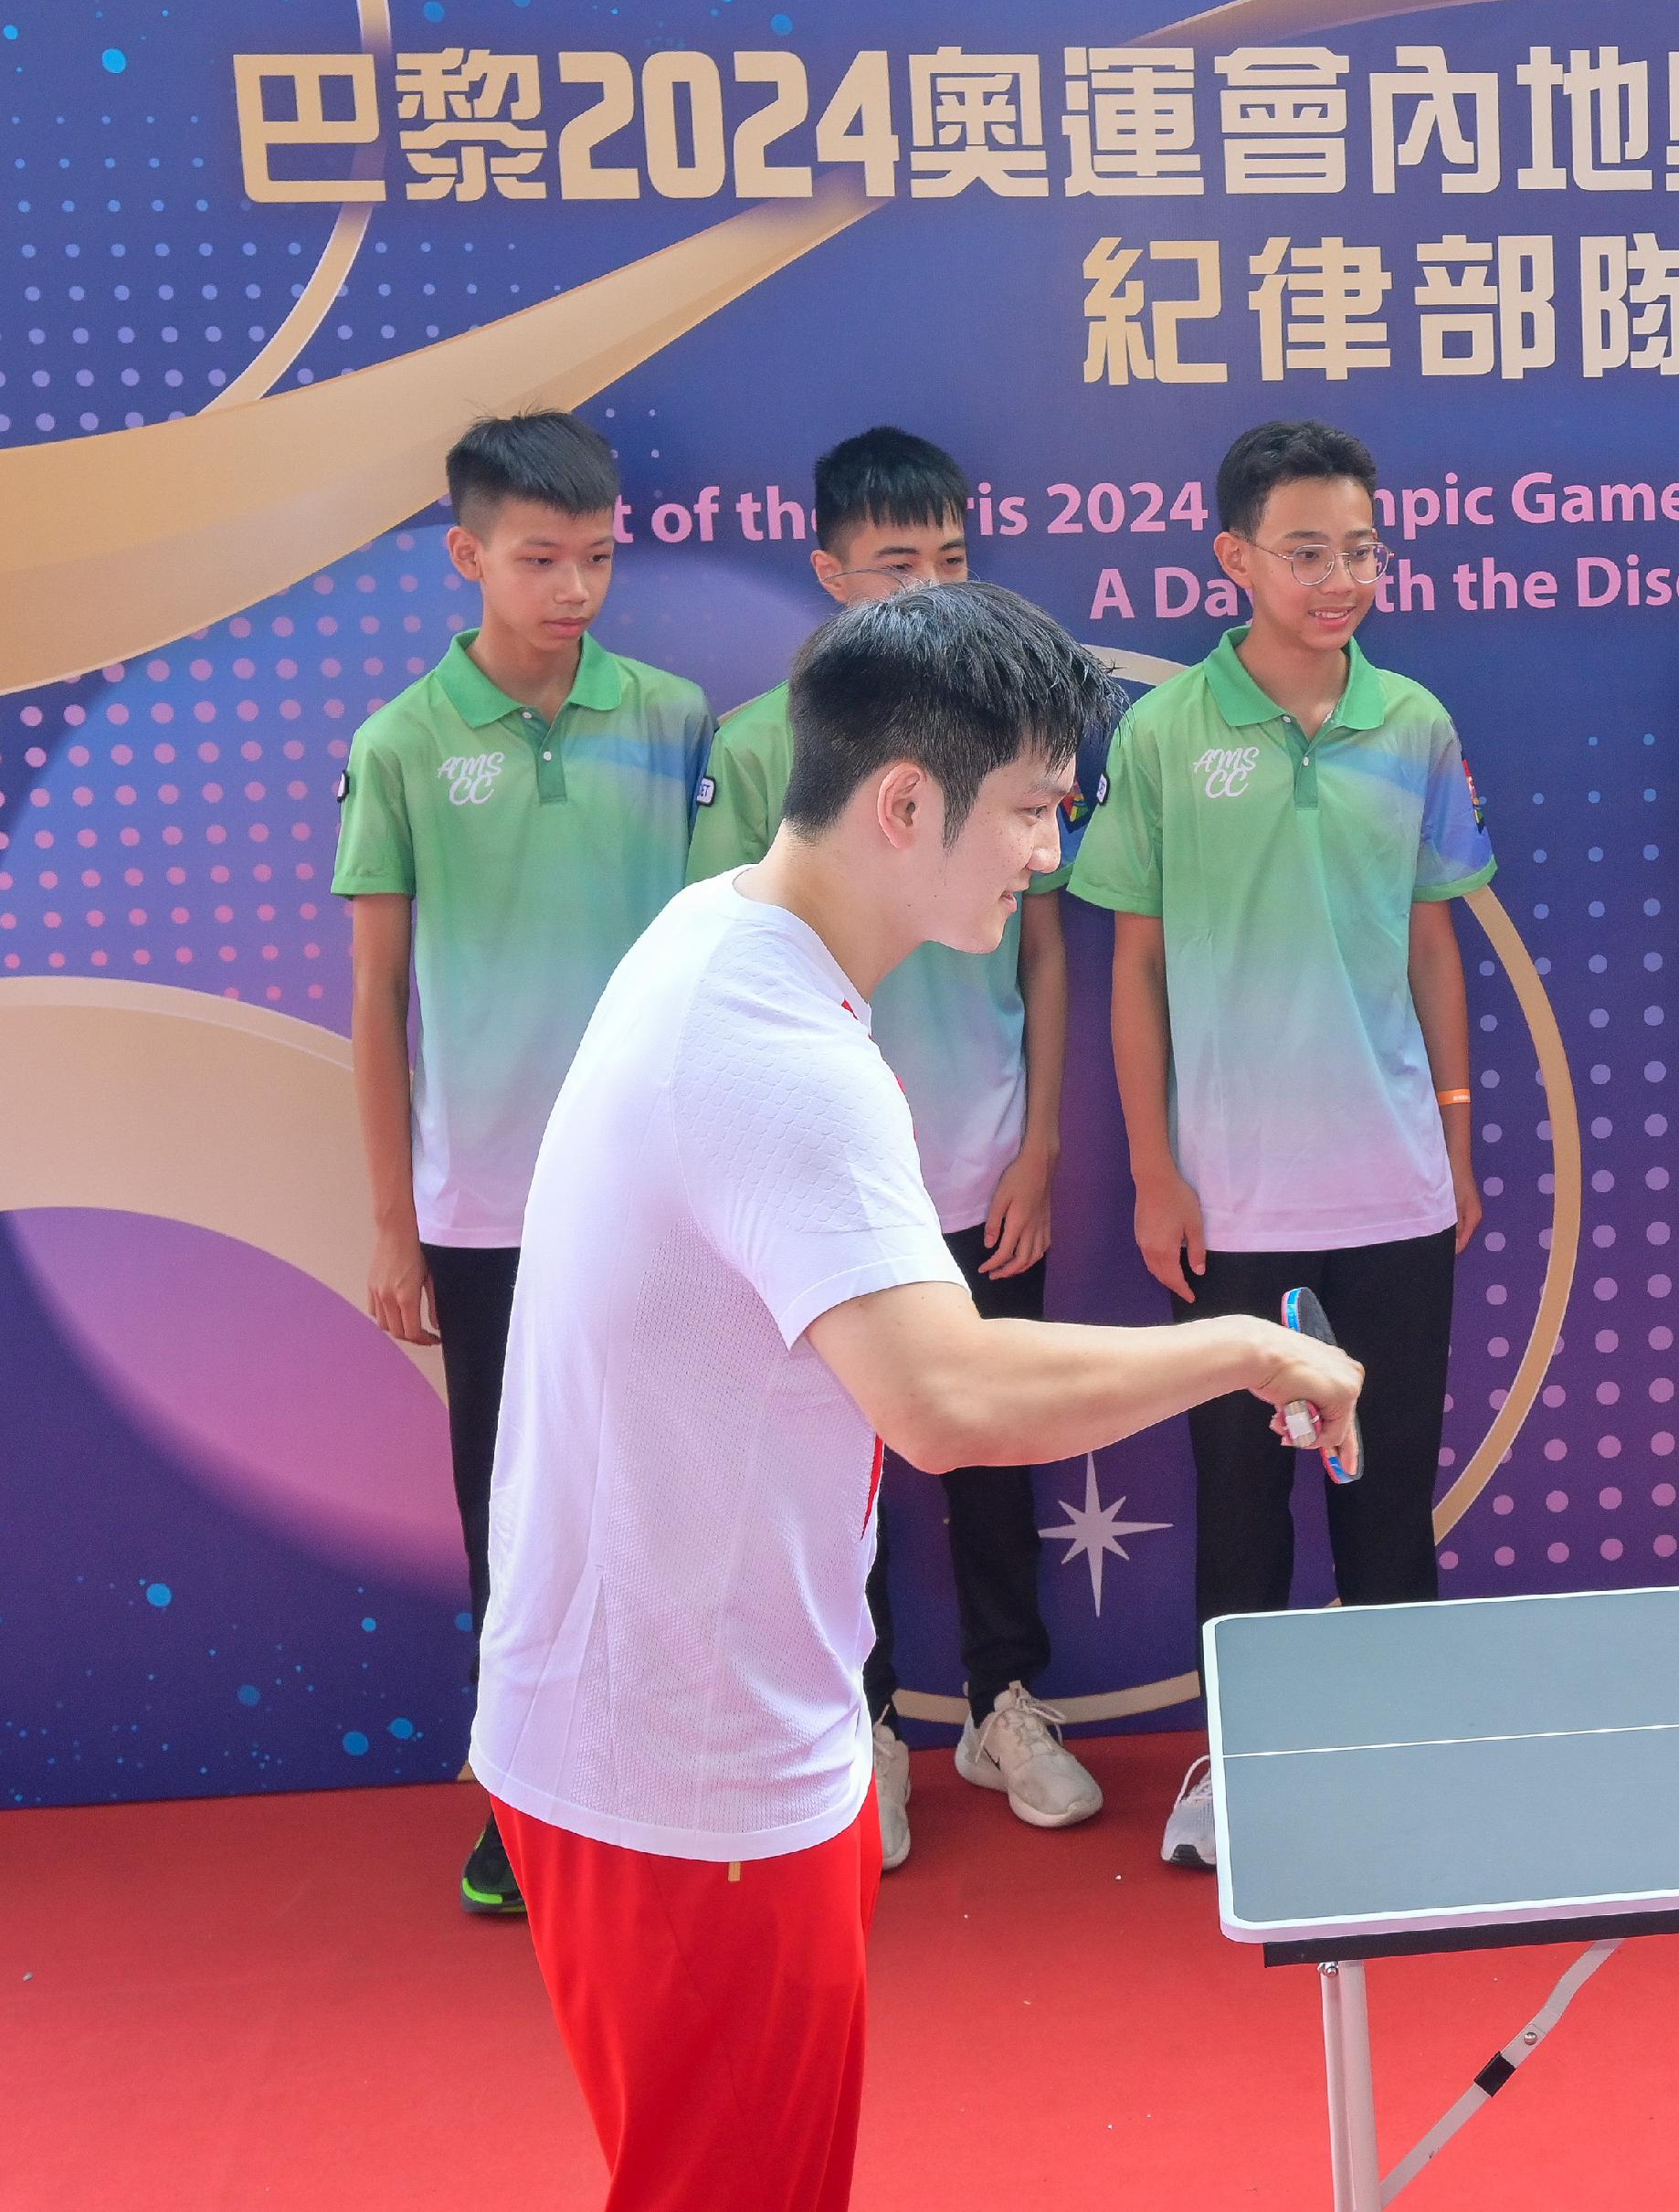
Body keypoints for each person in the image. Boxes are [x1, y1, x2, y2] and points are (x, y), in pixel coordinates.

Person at [472, 579, 1362, 2212]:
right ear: (904, 801)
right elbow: (943, 1398)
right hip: (690, 1773)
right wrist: (1248, 1348)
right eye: (1031, 809)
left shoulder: (718, 936)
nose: (1053, 852)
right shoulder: (777, 1057)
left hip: (671, 1734)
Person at [1071, 418, 1491, 1871]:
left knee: (1384, 1491)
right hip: (1233, 1199)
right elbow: (1134, 968)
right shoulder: (1164, 732)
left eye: (1361, 549)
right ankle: (1233, 1772)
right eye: (1306, 551)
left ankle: (1397, 1759)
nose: (1340, 577)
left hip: (1390, 1189)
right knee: (1240, 1506)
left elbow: (1436, 942)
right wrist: (1156, 1167)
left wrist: (1453, 1132)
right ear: (1234, 559)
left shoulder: (1414, 724)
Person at [687, 427, 1093, 1866]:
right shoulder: (757, 750)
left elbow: (1046, 947)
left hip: (983, 1168)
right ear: (829, 574)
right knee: (832, 1466)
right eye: (896, 566)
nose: (929, 588)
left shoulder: (1006, 745)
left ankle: (1006, 1699)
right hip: (827, 1193)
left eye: (953, 562)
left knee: (996, 1435)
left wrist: (1038, 1142)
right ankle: (862, 1726)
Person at [333, 410, 710, 1919]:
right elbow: (376, 1004)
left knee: (673, 1493)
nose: (573, 588)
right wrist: (392, 1226)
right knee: (519, 1518)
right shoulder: (404, 745)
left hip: (665, 1192)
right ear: (467, 557)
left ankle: (679, 1794)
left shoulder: (678, 719)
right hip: (488, 1207)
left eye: (597, 557)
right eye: (540, 559)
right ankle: (522, 1811)